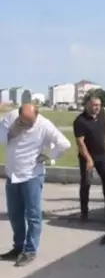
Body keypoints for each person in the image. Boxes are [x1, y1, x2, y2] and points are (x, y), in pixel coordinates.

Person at [0, 104, 71, 266]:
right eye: (24, 122)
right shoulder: (10, 118)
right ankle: (18, 248)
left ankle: (30, 250)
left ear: (36, 116)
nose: (28, 125)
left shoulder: (44, 125)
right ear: (18, 116)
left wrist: (51, 157)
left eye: (31, 122)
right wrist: (11, 133)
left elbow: (64, 144)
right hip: (12, 174)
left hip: (32, 175)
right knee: (14, 214)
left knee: (33, 215)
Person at [73, 96, 105, 220]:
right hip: (87, 156)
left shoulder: (102, 115)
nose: (97, 107)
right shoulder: (80, 121)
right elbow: (80, 142)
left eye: (99, 105)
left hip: (102, 155)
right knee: (86, 183)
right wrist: (88, 159)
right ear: (88, 105)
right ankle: (84, 212)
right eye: (94, 105)